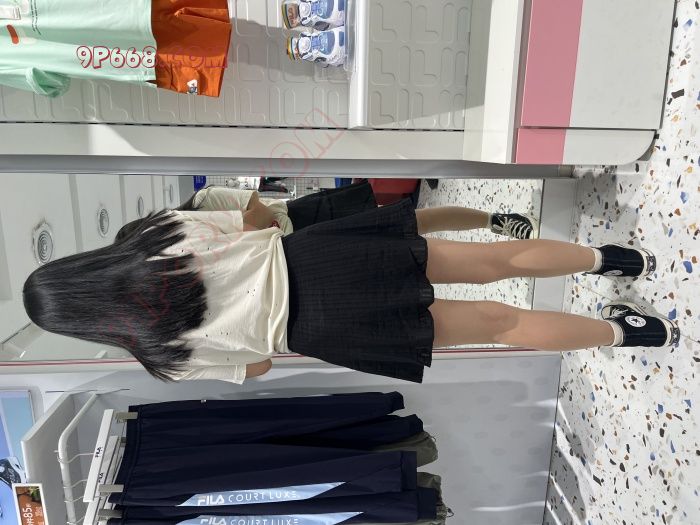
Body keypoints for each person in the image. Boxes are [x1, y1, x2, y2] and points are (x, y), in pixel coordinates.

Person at [22, 199, 679, 385]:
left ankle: (632, 333)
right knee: (494, 259)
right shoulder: (155, 235)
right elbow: (255, 217)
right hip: (319, 255)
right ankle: (614, 258)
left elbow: (256, 366)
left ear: (85, 322)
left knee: (499, 325)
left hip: (321, 329)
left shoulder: (160, 356)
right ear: (80, 267)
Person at [116, 181, 541, 241]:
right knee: (402, 245)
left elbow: (259, 213)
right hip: (300, 255)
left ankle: (494, 221)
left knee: (411, 221)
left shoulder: (204, 201)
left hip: (305, 217)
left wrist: (244, 231)